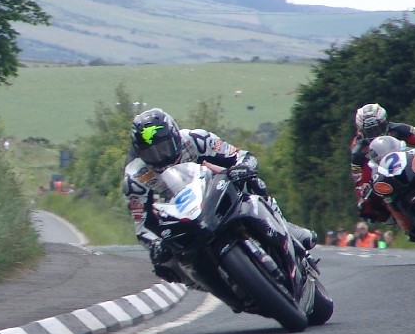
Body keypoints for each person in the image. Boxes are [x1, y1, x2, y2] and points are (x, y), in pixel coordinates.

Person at [123, 108, 317, 284]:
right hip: (179, 218)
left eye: (163, 147)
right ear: (140, 153)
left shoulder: (195, 139)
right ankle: (214, 283)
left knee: (253, 182)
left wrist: (243, 168)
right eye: (151, 152)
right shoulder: (136, 177)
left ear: (175, 136)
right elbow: (142, 225)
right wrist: (156, 245)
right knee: (164, 264)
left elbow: (241, 156)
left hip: (216, 192)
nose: (160, 156)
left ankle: (285, 228)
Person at [350, 103, 415, 222]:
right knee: (367, 206)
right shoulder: (358, 150)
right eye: (370, 131)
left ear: (385, 122)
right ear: (361, 131)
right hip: (385, 177)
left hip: (409, 165)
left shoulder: (398, 128)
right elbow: (358, 179)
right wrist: (363, 187)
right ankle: (403, 222)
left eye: (378, 128)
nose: (375, 134)